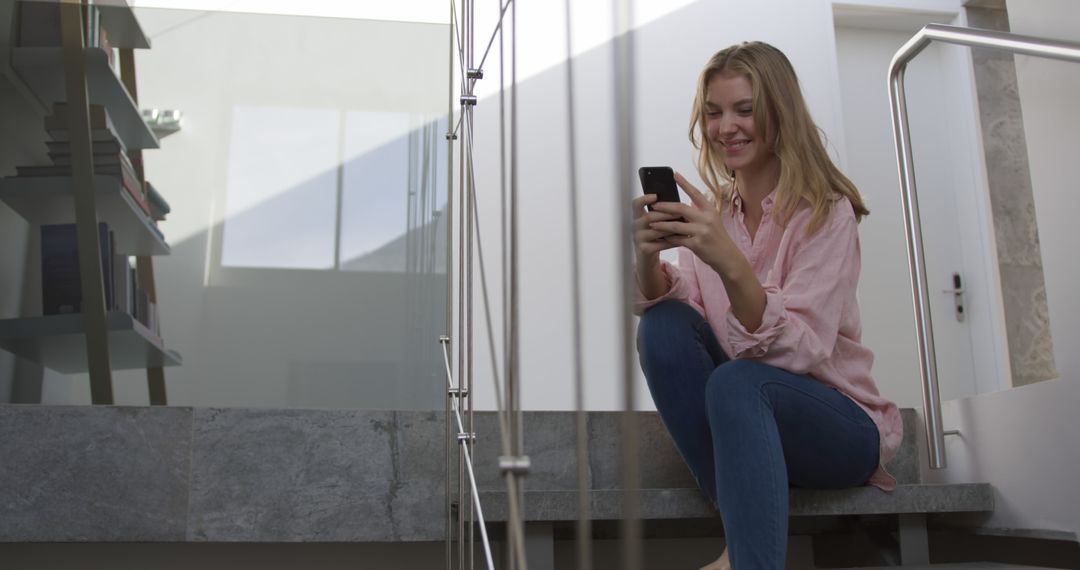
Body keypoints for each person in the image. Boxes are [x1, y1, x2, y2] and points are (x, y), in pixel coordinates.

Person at [632, 41, 902, 570]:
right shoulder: (716, 218)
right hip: (748, 422)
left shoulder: (826, 213)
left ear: (779, 113)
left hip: (839, 427)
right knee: (662, 325)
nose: (725, 126)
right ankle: (747, 523)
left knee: (738, 380)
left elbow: (799, 350)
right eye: (713, 113)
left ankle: (746, 558)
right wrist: (646, 258)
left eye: (744, 109)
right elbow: (691, 324)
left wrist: (729, 261)